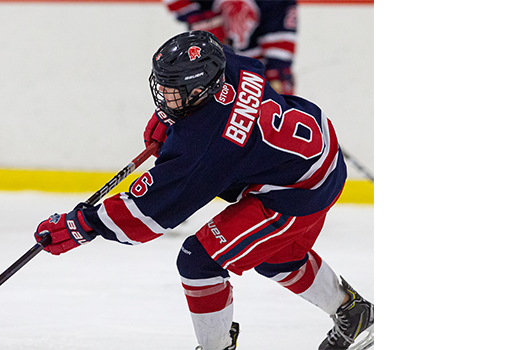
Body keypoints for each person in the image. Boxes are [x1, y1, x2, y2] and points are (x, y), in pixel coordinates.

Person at [34, 31, 373, 350]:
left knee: (199, 261)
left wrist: (83, 224)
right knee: (275, 255)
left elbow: (147, 213)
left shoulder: (206, 146)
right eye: (164, 88)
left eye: (174, 91)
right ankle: (354, 314)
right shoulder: (226, 65)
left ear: (200, 90)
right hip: (317, 151)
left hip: (297, 188)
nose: (165, 97)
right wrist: (171, 120)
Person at [162, 0, 297, 95]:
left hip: (256, 68)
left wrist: (277, 71)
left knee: (278, 85)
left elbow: (280, 25)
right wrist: (198, 18)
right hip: (207, 63)